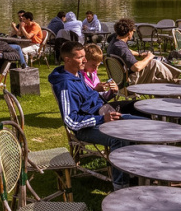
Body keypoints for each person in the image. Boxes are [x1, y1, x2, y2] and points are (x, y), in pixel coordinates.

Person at [49, 41, 141, 190]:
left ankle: (135, 173)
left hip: (99, 116)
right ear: (67, 59)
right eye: (80, 57)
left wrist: (109, 96)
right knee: (120, 137)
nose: (85, 60)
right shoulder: (65, 84)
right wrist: (102, 119)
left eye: (84, 56)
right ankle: (121, 186)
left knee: (143, 124)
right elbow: (70, 121)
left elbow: (91, 98)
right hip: (85, 128)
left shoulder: (77, 75)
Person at [108, 18, 181, 85]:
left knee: (157, 78)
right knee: (154, 63)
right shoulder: (121, 47)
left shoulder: (114, 40)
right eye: (133, 31)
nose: (133, 33)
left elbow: (126, 51)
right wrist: (148, 57)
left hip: (119, 80)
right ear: (129, 32)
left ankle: (177, 82)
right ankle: (177, 81)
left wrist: (139, 54)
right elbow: (136, 67)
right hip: (129, 81)